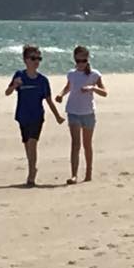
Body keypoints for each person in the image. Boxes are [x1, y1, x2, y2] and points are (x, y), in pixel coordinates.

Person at [5, 45, 65, 187]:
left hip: (37, 116)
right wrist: (14, 85)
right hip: (22, 116)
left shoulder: (42, 80)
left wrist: (57, 116)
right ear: (25, 60)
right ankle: (32, 166)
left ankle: (31, 174)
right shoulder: (19, 75)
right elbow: (7, 92)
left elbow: (49, 100)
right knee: (27, 145)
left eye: (39, 58)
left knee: (32, 144)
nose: (36, 61)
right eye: (33, 58)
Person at [55, 45, 107, 184]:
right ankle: (74, 175)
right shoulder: (72, 74)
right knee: (75, 144)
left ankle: (89, 171)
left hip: (88, 113)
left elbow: (104, 92)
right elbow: (68, 87)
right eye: (78, 61)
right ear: (74, 60)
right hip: (73, 111)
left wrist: (92, 88)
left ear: (87, 60)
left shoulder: (94, 74)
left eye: (83, 61)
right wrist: (60, 95)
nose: (81, 64)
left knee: (87, 144)